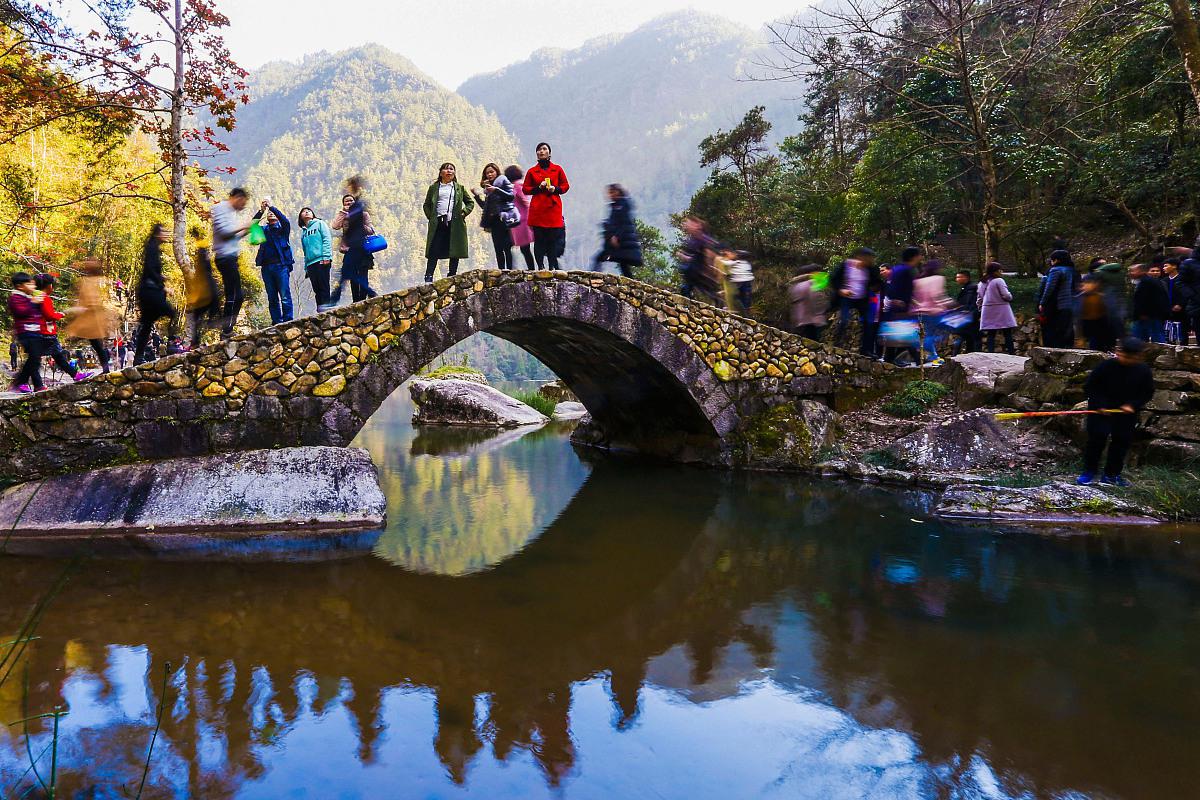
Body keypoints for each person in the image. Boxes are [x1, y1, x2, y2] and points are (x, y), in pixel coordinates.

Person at [1077, 336, 1154, 486]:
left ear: (1138, 356)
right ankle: (1089, 471)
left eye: (1131, 357)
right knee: (1096, 440)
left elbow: (1147, 393)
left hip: (1126, 413)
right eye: (1124, 356)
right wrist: (1100, 405)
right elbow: (1090, 387)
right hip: (1101, 411)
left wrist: (1132, 405)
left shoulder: (1143, 371)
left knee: (1121, 441)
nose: (1126, 360)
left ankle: (1112, 475)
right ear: (1119, 352)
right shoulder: (1105, 366)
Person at [30, 273, 96, 385]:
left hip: (39, 332)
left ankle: (36, 384)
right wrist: (60, 315)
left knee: (41, 359)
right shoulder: (44, 298)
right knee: (49, 358)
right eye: (52, 284)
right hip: (47, 334)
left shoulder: (35, 298)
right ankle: (29, 383)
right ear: (48, 286)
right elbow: (49, 316)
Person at [325, 186, 380, 308]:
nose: (349, 203)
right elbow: (335, 226)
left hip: (363, 249)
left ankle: (364, 300)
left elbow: (371, 230)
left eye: (351, 201)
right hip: (350, 250)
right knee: (353, 278)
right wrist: (343, 214)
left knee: (363, 275)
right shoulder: (344, 216)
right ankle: (356, 302)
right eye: (346, 201)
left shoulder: (364, 215)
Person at [422, 163, 475, 282]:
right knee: (434, 248)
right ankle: (428, 276)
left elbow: (470, 203)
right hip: (438, 222)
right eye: (446, 169)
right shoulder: (434, 188)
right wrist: (431, 217)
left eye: (451, 169)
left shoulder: (459, 188)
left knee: (454, 249)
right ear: (441, 173)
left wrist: (464, 213)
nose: (449, 171)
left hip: (454, 222)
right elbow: (426, 205)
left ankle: (452, 275)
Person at [134, 223, 177, 365]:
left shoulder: (153, 247)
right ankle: (172, 348)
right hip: (150, 291)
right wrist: (163, 287)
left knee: (146, 325)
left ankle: (138, 358)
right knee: (170, 312)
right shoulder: (152, 248)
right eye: (164, 232)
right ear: (158, 233)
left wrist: (161, 277)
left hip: (147, 291)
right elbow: (150, 269)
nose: (166, 234)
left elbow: (150, 270)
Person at [522, 143, 569, 269]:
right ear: (536, 153)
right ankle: (540, 266)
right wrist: (538, 188)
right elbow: (525, 189)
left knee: (552, 240)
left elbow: (565, 186)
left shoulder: (557, 169)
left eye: (544, 149)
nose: (541, 151)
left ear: (549, 153)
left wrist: (555, 189)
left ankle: (552, 267)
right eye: (539, 149)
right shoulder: (532, 171)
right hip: (538, 209)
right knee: (539, 240)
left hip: (553, 209)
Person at [211, 187, 251, 336]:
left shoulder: (230, 213)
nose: (242, 207)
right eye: (243, 203)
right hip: (225, 257)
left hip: (230, 257)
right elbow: (223, 232)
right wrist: (243, 226)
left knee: (235, 294)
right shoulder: (221, 208)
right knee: (235, 295)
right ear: (237, 198)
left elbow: (230, 237)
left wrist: (244, 232)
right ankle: (227, 330)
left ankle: (227, 329)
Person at [65, 258, 116, 372]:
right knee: (97, 344)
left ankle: (106, 369)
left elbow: (93, 299)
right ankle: (105, 369)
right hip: (89, 317)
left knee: (97, 344)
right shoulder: (89, 281)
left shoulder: (95, 281)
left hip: (92, 318)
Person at [251, 199, 295, 325]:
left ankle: (288, 320)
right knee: (272, 297)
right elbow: (252, 225)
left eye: (273, 213)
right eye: (269, 213)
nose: (271, 213)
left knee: (285, 295)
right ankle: (276, 321)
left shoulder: (283, 229)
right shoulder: (263, 230)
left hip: (281, 266)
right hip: (266, 267)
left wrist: (272, 207)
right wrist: (261, 211)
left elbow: (285, 221)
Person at [829, 248, 880, 356]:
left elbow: (876, 281)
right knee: (844, 320)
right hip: (847, 297)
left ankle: (866, 350)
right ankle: (837, 343)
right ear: (861, 257)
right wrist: (841, 290)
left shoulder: (870, 269)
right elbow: (833, 279)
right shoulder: (846, 265)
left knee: (868, 323)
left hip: (862, 299)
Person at [592, 184, 643, 279]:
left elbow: (624, 223)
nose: (610, 195)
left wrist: (616, 236)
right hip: (619, 240)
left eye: (612, 192)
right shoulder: (616, 205)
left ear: (618, 192)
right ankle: (630, 282)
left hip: (622, 240)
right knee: (623, 262)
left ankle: (594, 277)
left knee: (601, 258)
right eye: (609, 193)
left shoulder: (622, 205)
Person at [8, 272, 46, 392]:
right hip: (25, 331)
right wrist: (33, 302)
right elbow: (21, 312)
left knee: (35, 358)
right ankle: (21, 382)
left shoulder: (28, 297)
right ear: (20, 286)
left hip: (35, 330)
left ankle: (37, 385)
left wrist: (39, 302)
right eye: (29, 284)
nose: (33, 287)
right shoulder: (15, 298)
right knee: (34, 357)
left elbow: (37, 313)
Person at [183, 226, 219, 348]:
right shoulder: (204, 264)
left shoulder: (201, 263)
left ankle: (195, 341)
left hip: (202, 294)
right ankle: (212, 320)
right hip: (206, 292)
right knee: (200, 314)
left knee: (196, 316)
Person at [476, 163, 516, 270]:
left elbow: (511, 196)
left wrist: (496, 190)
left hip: (505, 219)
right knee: (498, 248)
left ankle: (510, 270)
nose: (489, 175)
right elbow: (486, 207)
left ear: (497, 172)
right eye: (487, 173)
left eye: (491, 172)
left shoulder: (503, 182)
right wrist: (477, 196)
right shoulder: (488, 189)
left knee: (507, 247)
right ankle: (501, 270)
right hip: (493, 221)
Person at [912, 259, 951, 365]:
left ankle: (933, 355)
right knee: (939, 332)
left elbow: (914, 297)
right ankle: (932, 355)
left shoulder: (918, 281)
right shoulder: (938, 279)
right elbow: (937, 295)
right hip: (935, 312)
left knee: (928, 334)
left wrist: (919, 306)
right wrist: (949, 304)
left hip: (921, 312)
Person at [1038, 250, 1080, 348]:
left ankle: (1056, 351)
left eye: (1052, 260)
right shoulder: (1073, 271)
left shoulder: (1056, 270)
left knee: (1055, 331)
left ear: (1056, 260)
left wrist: (1042, 303)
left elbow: (1049, 288)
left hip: (1058, 305)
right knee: (1068, 331)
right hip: (1071, 305)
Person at [978, 262, 1017, 354]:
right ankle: (1011, 353)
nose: (1001, 272)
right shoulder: (999, 281)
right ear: (996, 271)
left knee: (991, 333)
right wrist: (1010, 296)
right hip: (1002, 309)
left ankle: (990, 353)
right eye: (1000, 270)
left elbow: (979, 297)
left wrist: (980, 307)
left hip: (987, 309)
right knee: (1007, 332)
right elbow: (1006, 295)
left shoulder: (982, 282)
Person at [298, 207, 333, 309]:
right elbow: (305, 251)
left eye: (309, 211)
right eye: (303, 211)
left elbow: (327, 239)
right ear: (300, 217)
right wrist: (306, 267)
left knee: (324, 287)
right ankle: (320, 311)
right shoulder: (303, 233)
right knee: (316, 289)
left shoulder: (320, 224)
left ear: (313, 214)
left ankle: (327, 311)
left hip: (321, 259)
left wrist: (326, 256)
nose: (306, 212)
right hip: (310, 264)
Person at [505, 165, 536, 269]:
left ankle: (531, 269)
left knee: (525, 248)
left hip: (522, 221)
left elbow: (525, 201)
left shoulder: (516, 186)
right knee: (526, 248)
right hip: (525, 219)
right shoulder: (522, 184)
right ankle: (533, 268)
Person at [1129, 262, 1168, 343]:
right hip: (1152, 314)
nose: (1131, 273)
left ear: (1141, 271)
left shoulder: (1145, 282)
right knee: (1155, 334)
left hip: (1147, 315)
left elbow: (1143, 299)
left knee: (1149, 336)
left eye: (1133, 271)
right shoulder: (1149, 281)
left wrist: (1142, 313)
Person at [788, 264, 829, 339]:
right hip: (812, 319)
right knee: (812, 340)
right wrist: (822, 312)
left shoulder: (796, 285)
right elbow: (816, 300)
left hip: (801, 318)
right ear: (812, 272)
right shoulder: (812, 283)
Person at [1079, 274, 1116, 351]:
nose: (1085, 285)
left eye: (1088, 283)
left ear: (1096, 284)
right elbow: (1078, 317)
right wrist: (1081, 338)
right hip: (1088, 327)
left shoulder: (1104, 297)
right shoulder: (1081, 298)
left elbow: (1111, 315)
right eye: (1084, 283)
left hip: (1102, 327)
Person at [1162, 258, 1194, 344]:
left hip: (1182, 311)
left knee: (1183, 334)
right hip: (1168, 312)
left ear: (1174, 266)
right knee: (1168, 333)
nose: (1164, 268)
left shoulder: (1183, 280)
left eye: (1166, 266)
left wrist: (1180, 304)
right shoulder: (1164, 281)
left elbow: (1187, 293)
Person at [949, 268, 980, 353]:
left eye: (959, 277)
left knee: (966, 337)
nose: (957, 279)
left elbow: (968, 303)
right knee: (969, 338)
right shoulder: (966, 288)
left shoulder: (970, 289)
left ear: (966, 278)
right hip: (967, 317)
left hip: (968, 317)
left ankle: (956, 355)